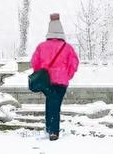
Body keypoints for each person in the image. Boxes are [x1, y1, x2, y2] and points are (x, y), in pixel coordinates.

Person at [30, 13, 79, 141]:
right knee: (55, 104)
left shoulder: (42, 47)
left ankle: (49, 128)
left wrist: (42, 73)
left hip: (47, 81)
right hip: (61, 82)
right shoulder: (67, 48)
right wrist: (67, 75)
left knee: (50, 102)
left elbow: (34, 62)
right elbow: (74, 63)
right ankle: (53, 131)